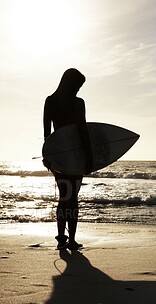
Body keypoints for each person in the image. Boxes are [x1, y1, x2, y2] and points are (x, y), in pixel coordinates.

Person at [43, 68, 92, 251]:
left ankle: (62, 238)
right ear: (70, 83)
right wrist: (89, 158)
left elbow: (47, 135)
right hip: (76, 156)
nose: (79, 89)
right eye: (78, 85)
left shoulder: (50, 101)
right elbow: (83, 131)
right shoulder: (78, 103)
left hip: (58, 156)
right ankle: (70, 239)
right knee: (72, 198)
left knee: (65, 196)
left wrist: (47, 156)